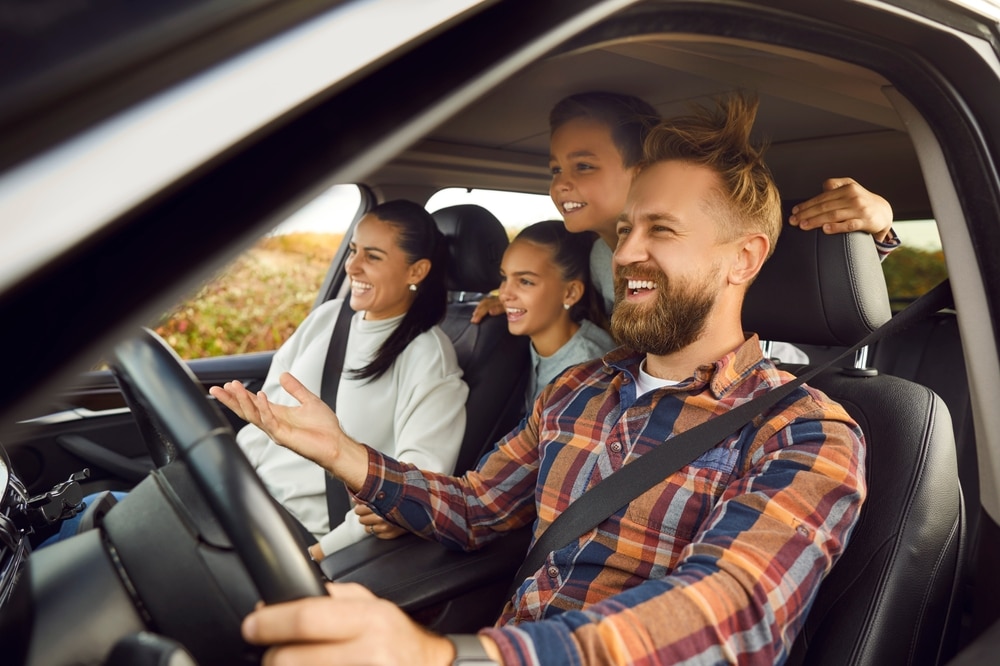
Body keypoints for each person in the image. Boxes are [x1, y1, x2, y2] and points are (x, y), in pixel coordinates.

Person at [212, 93, 866, 665]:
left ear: (743, 259)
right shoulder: (579, 390)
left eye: (660, 230)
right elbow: (474, 510)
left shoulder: (804, 435)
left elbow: (727, 614)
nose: (630, 251)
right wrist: (344, 454)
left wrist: (451, 656)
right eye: (627, 228)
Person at [472, 91, 900, 364]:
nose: (561, 182)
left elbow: (792, 275)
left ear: (641, 171)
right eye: (554, 169)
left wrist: (877, 231)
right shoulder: (589, 254)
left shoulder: (715, 247)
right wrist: (516, 301)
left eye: (583, 166)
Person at [234, 199, 469, 560]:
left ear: (416, 271)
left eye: (372, 257)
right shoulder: (327, 319)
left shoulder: (427, 357)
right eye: (353, 250)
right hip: (244, 504)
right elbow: (265, 411)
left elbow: (413, 488)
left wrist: (317, 554)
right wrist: (227, 481)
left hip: (296, 535)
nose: (352, 266)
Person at [497, 220, 615, 410]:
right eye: (505, 278)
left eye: (525, 282)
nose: (504, 294)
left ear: (570, 293)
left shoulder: (587, 371)